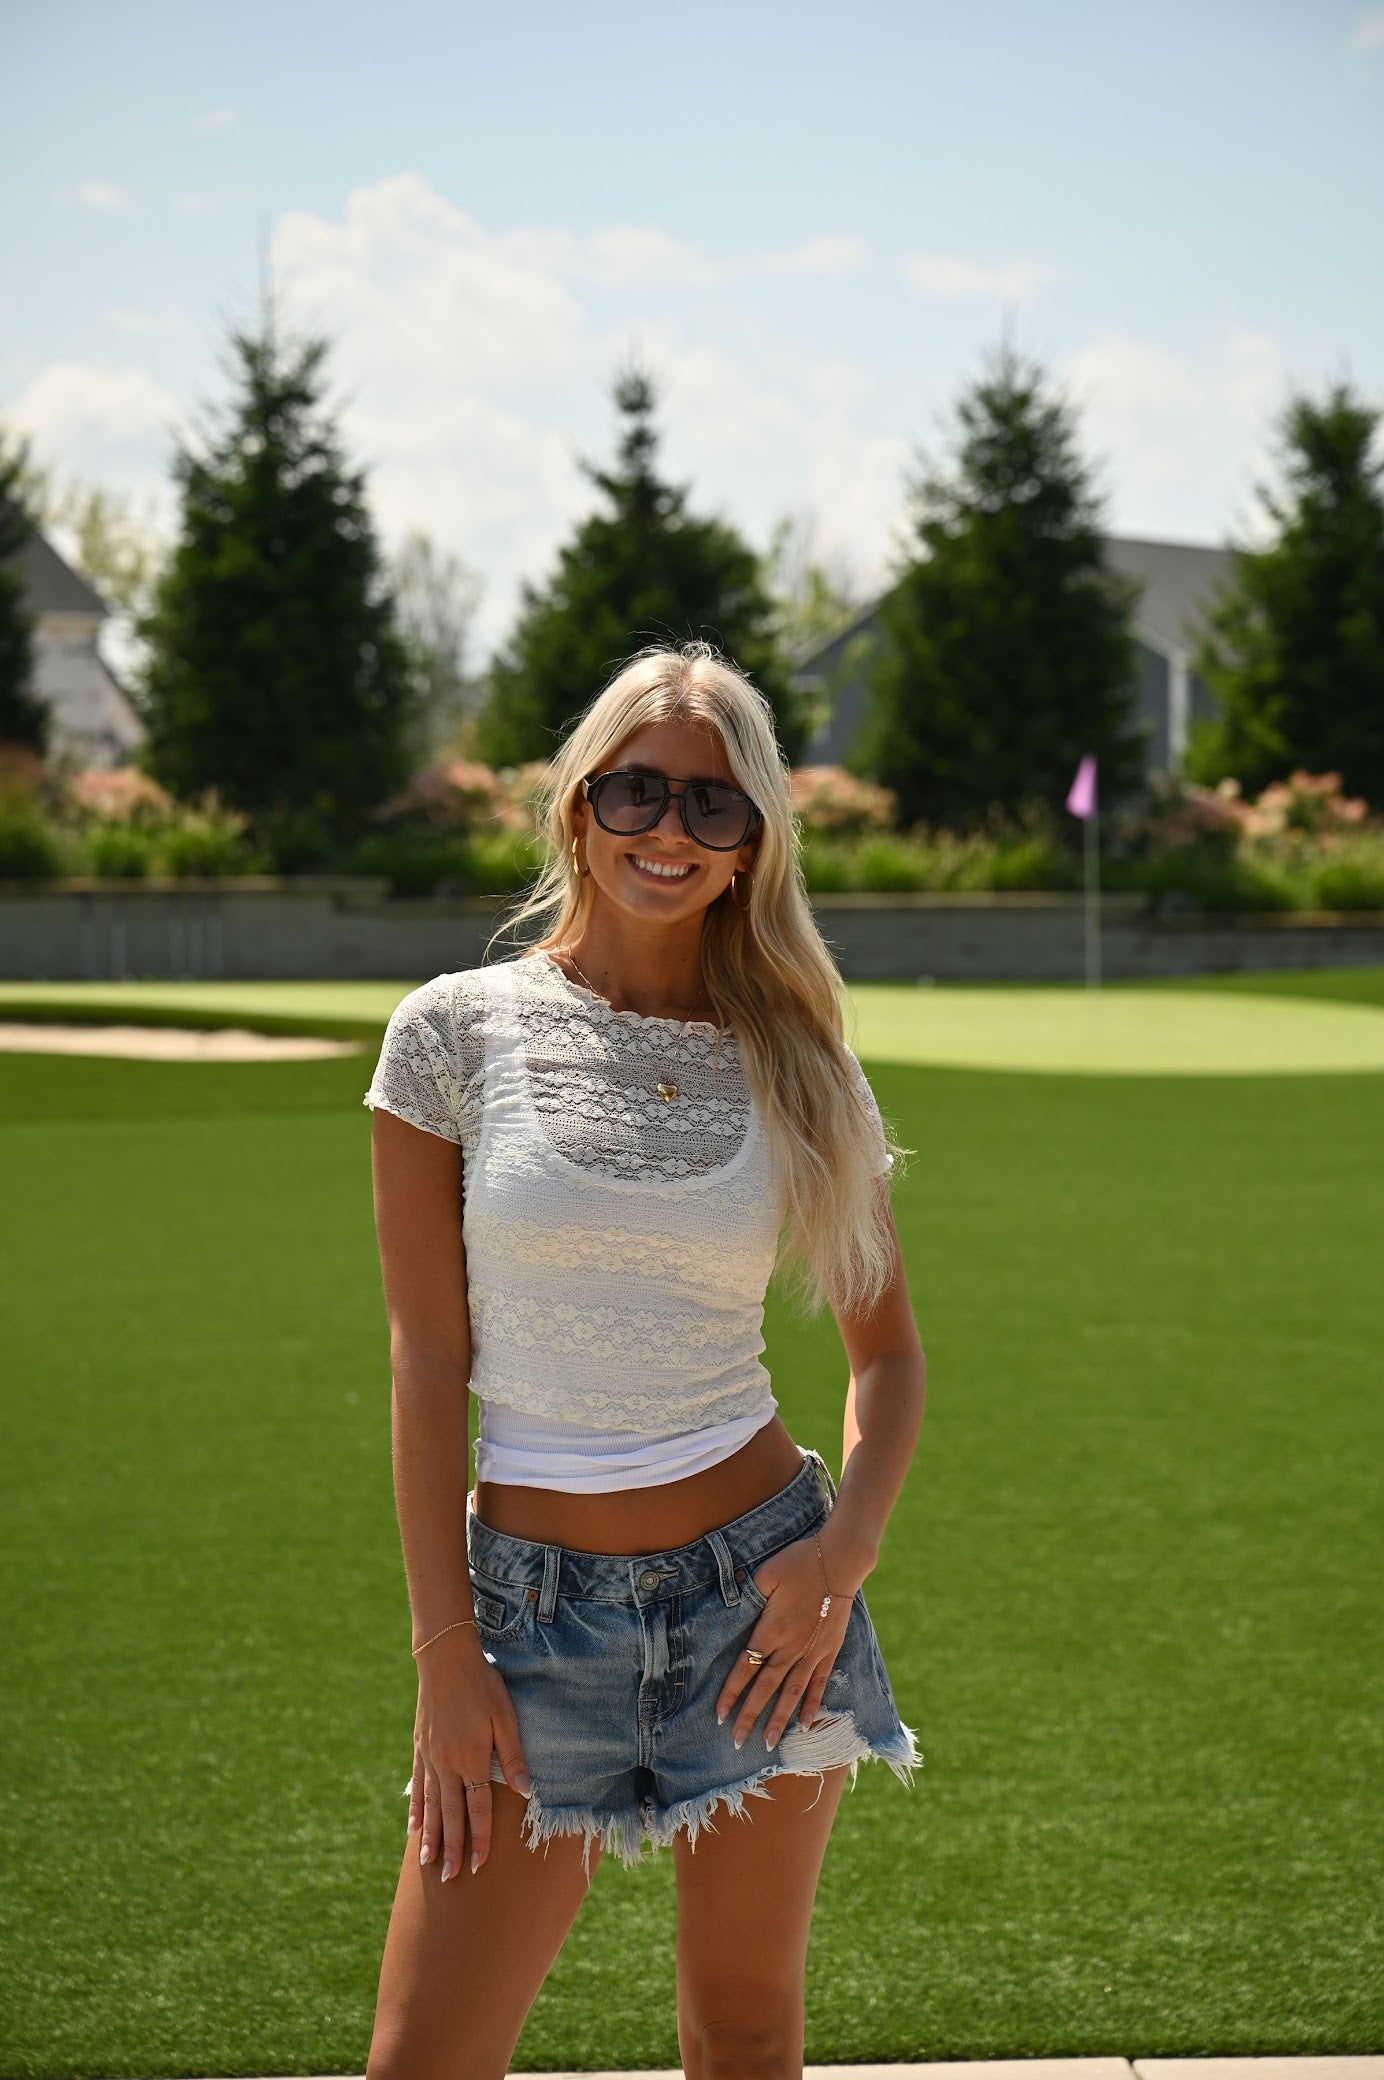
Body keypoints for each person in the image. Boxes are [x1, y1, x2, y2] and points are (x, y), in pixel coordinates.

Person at [363, 643, 926, 2080]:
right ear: (579, 806)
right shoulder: (450, 1035)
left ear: (752, 845)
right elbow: (425, 1361)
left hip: (763, 1608)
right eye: (636, 792)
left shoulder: (800, 1060)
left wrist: (841, 1559)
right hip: (526, 1623)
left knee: (746, 2031)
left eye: (712, 804)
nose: (670, 829)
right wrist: (446, 1654)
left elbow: (887, 1355)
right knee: (426, 2057)